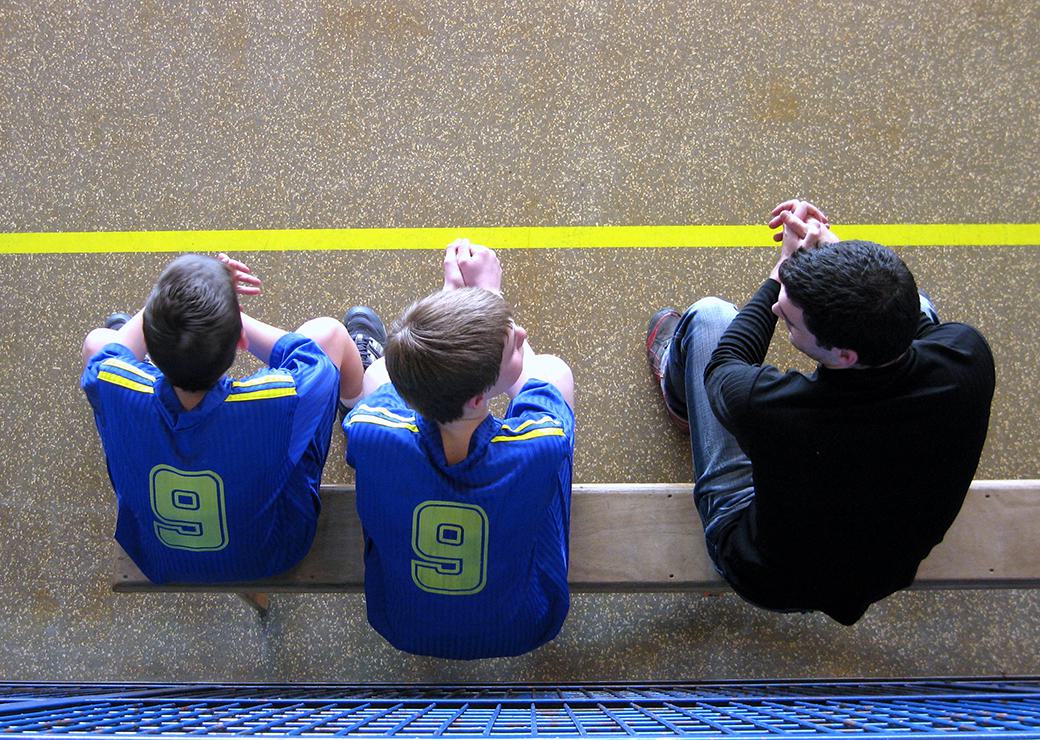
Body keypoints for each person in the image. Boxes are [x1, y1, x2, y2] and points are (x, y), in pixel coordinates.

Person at [646, 200, 995, 624]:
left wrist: (778, 277)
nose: (779, 312)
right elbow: (895, 301)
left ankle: (679, 395)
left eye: (792, 323)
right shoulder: (967, 357)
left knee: (711, 317)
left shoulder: (778, 411)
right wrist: (835, 254)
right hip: (884, 568)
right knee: (915, 302)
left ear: (845, 356)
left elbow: (724, 366)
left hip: (764, 573)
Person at [81, 253, 379, 583]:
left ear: (150, 341)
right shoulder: (279, 400)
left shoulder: (108, 380)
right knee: (328, 334)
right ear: (240, 340)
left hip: (157, 557)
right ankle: (354, 407)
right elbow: (311, 358)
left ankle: (154, 350)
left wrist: (167, 305)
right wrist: (226, 309)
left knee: (98, 342)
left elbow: (104, 357)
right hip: (274, 551)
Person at [344, 240, 575, 659]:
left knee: (376, 375)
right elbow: (541, 389)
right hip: (526, 622)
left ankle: (397, 357)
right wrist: (491, 297)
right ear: (477, 401)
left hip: (401, 622)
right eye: (514, 344)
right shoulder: (542, 444)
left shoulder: (366, 430)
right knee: (554, 372)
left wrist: (456, 306)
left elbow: (396, 387)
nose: (521, 332)